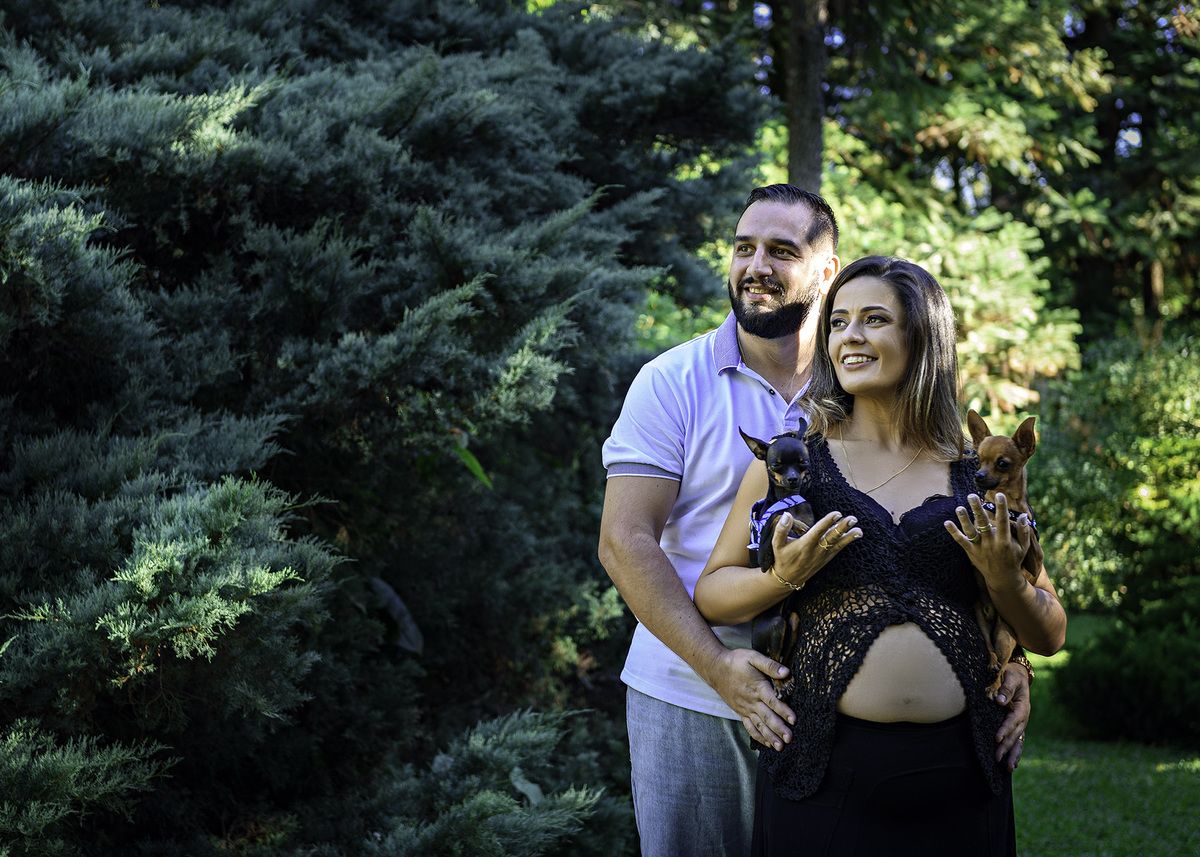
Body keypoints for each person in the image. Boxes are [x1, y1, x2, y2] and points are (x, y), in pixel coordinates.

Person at [598, 186, 1033, 857]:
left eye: (780, 250)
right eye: (743, 248)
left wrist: (1010, 660)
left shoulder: (866, 386)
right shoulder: (671, 381)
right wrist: (718, 666)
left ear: (828, 271)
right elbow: (624, 540)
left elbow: (975, 564)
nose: (755, 266)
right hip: (692, 689)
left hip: (821, 705)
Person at [693, 255, 1066, 855]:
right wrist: (782, 577)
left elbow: (1050, 633)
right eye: (838, 322)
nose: (850, 336)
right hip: (822, 777)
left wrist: (1006, 585)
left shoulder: (975, 474)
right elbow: (712, 593)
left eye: (874, 319)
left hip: (963, 776)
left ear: (923, 337)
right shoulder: (795, 465)